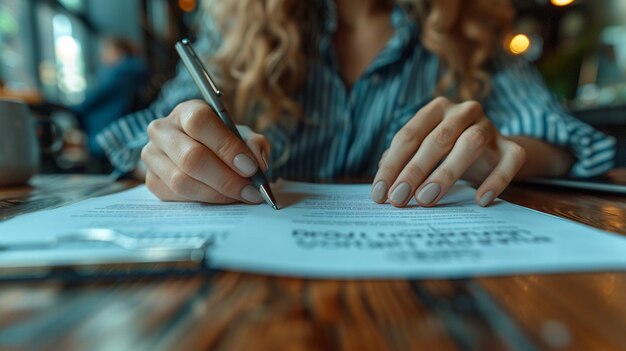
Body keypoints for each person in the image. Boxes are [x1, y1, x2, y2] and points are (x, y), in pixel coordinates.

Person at [97, 0, 615, 208]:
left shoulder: (470, 24)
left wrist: (496, 150)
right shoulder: (236, 24)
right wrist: (179, 148)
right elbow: (150, 138)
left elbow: (563, 140)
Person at [73, 36, 148, 156]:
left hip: (106, 133)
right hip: (123, 130)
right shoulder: (133, 74)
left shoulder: (115, 75)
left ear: (120, 52)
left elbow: (89, 101)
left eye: (106, 51)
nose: (102, 57)